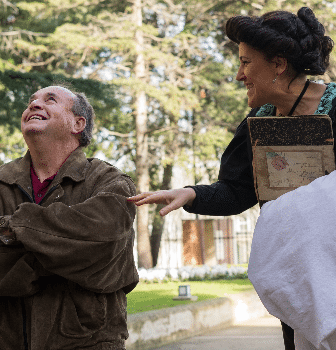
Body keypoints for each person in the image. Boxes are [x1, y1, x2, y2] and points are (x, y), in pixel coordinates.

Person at [127, 7, 336, 350]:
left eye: (245, 62)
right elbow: (238, 192)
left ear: (278, 64)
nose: (239, 75)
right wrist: (191, 194)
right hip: (299, 274)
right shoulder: (258, 123)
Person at [0, 85, 138, 349]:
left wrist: (14, 227)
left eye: (50, 100)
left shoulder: (110, 182)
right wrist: (69, 259)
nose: (34, 104)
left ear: (78, 123)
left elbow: (104, 241)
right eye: (31, 100)